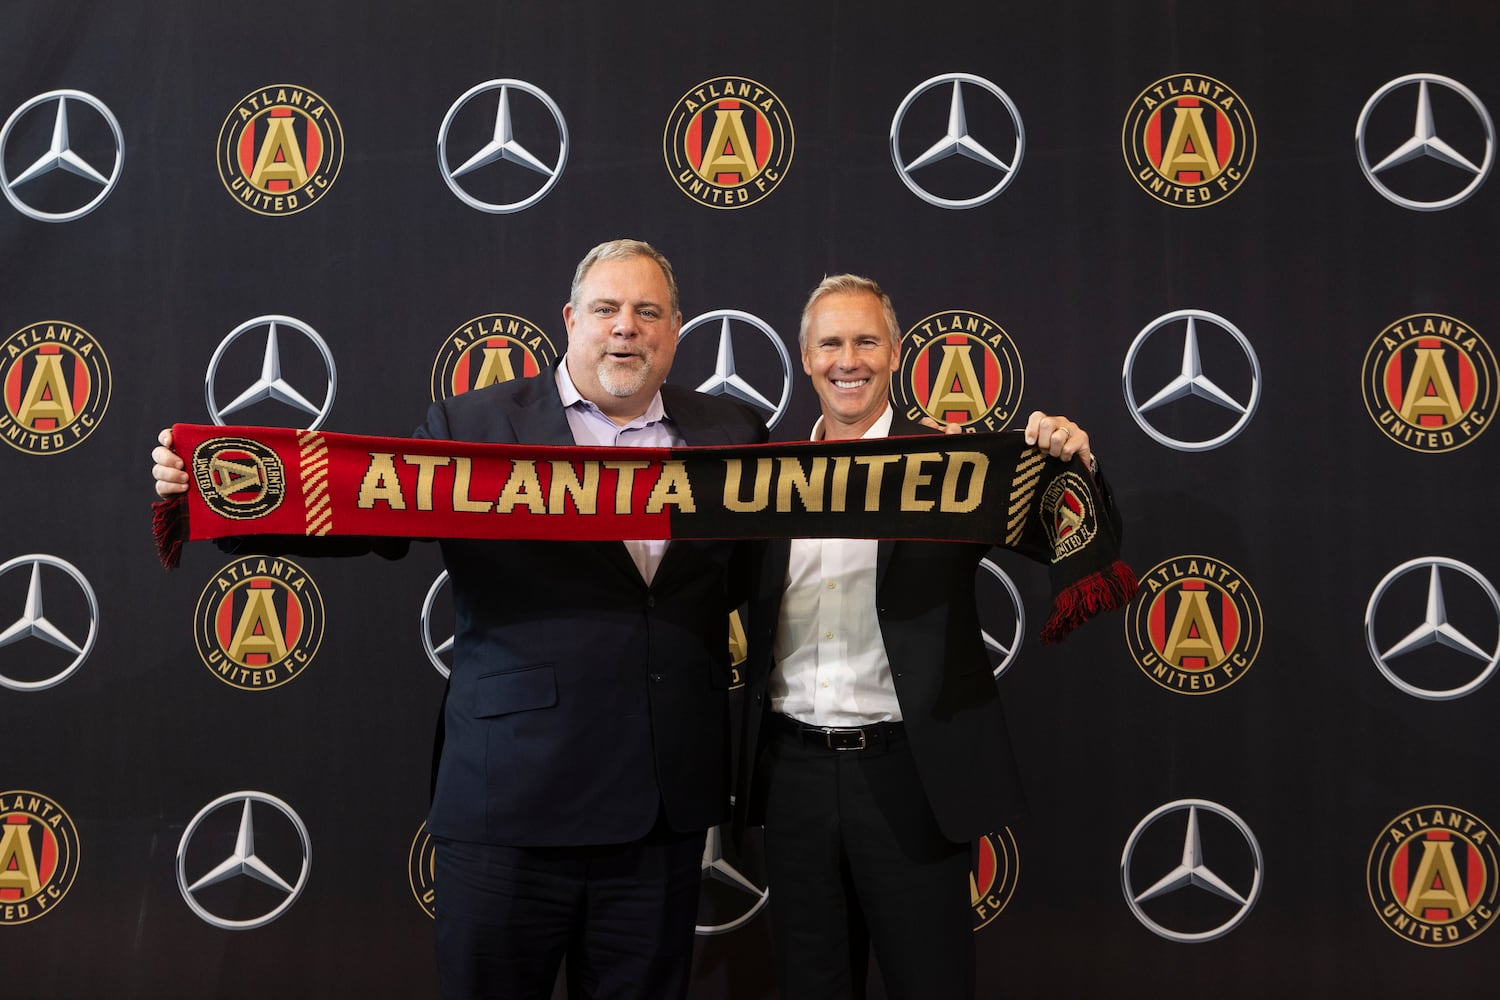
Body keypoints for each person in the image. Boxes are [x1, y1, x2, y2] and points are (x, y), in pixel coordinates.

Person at [152, 240, 768, 1000]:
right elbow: (360, 511)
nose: (626, 328)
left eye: (648, 312)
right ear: (571, 321)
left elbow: (759, 573)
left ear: (676, 330)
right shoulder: (476, 425)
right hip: (510, 805)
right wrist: (219, 498)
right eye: (607, 309)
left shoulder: (734, 436)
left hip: (661, 817)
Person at [735, 274, 1117, 1000]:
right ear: (807, 357)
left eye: (866, 341)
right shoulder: (762, 476)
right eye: (832, 344)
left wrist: (1072, 462)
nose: (850, 360)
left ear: (897, 351)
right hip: (791, 779)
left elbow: (1058, 526)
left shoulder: (951, 465)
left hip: (910, 777)